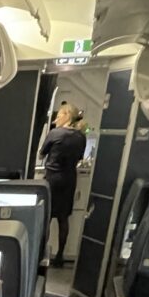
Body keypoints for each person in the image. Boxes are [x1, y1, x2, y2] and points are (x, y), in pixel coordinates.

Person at [40, 104, 88, 267]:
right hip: (69, 178)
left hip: (52, 177)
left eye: (59, 115)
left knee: (46, 217)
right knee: (63, 218)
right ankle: (60, 256)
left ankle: (41, 254)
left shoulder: (55, 133)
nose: (56, 119)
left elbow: (42, 152)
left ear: (67, 115)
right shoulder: (81, 137)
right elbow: (80, 156)